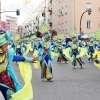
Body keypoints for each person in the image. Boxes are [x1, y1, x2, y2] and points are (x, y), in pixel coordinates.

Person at [0, 21, 38, 100]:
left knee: (12, 95)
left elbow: (16, 57)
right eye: (5, 46)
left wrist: (30, 59)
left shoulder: (8, 54)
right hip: (2, 82)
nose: (7, 48)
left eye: (7, 45)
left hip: (6, 80)